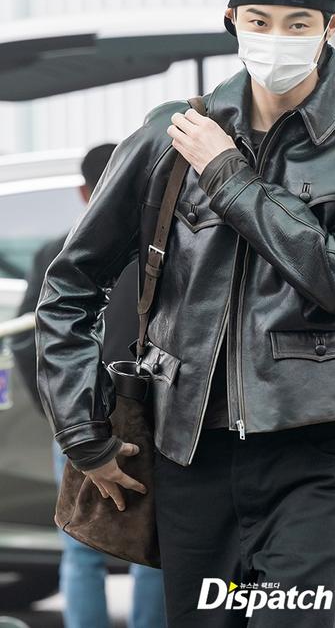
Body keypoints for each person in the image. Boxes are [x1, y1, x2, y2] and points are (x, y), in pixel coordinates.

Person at [35, 0, 335, 627]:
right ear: (232, 21)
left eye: (298, 23)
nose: (277, 38)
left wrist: (227, 174)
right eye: (259, 20)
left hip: (310, 445)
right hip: (189, 449)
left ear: (332, 25)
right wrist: (81, 431)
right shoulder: (168, 136)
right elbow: (70, 285)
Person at [12, 144, 166, 628]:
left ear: (85, 193)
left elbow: (28, 342)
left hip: (83, 417)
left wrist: (61, 412)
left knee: (80, 542)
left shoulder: (59, 251)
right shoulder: (166, 246)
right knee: (151, 542)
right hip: (151, 414)